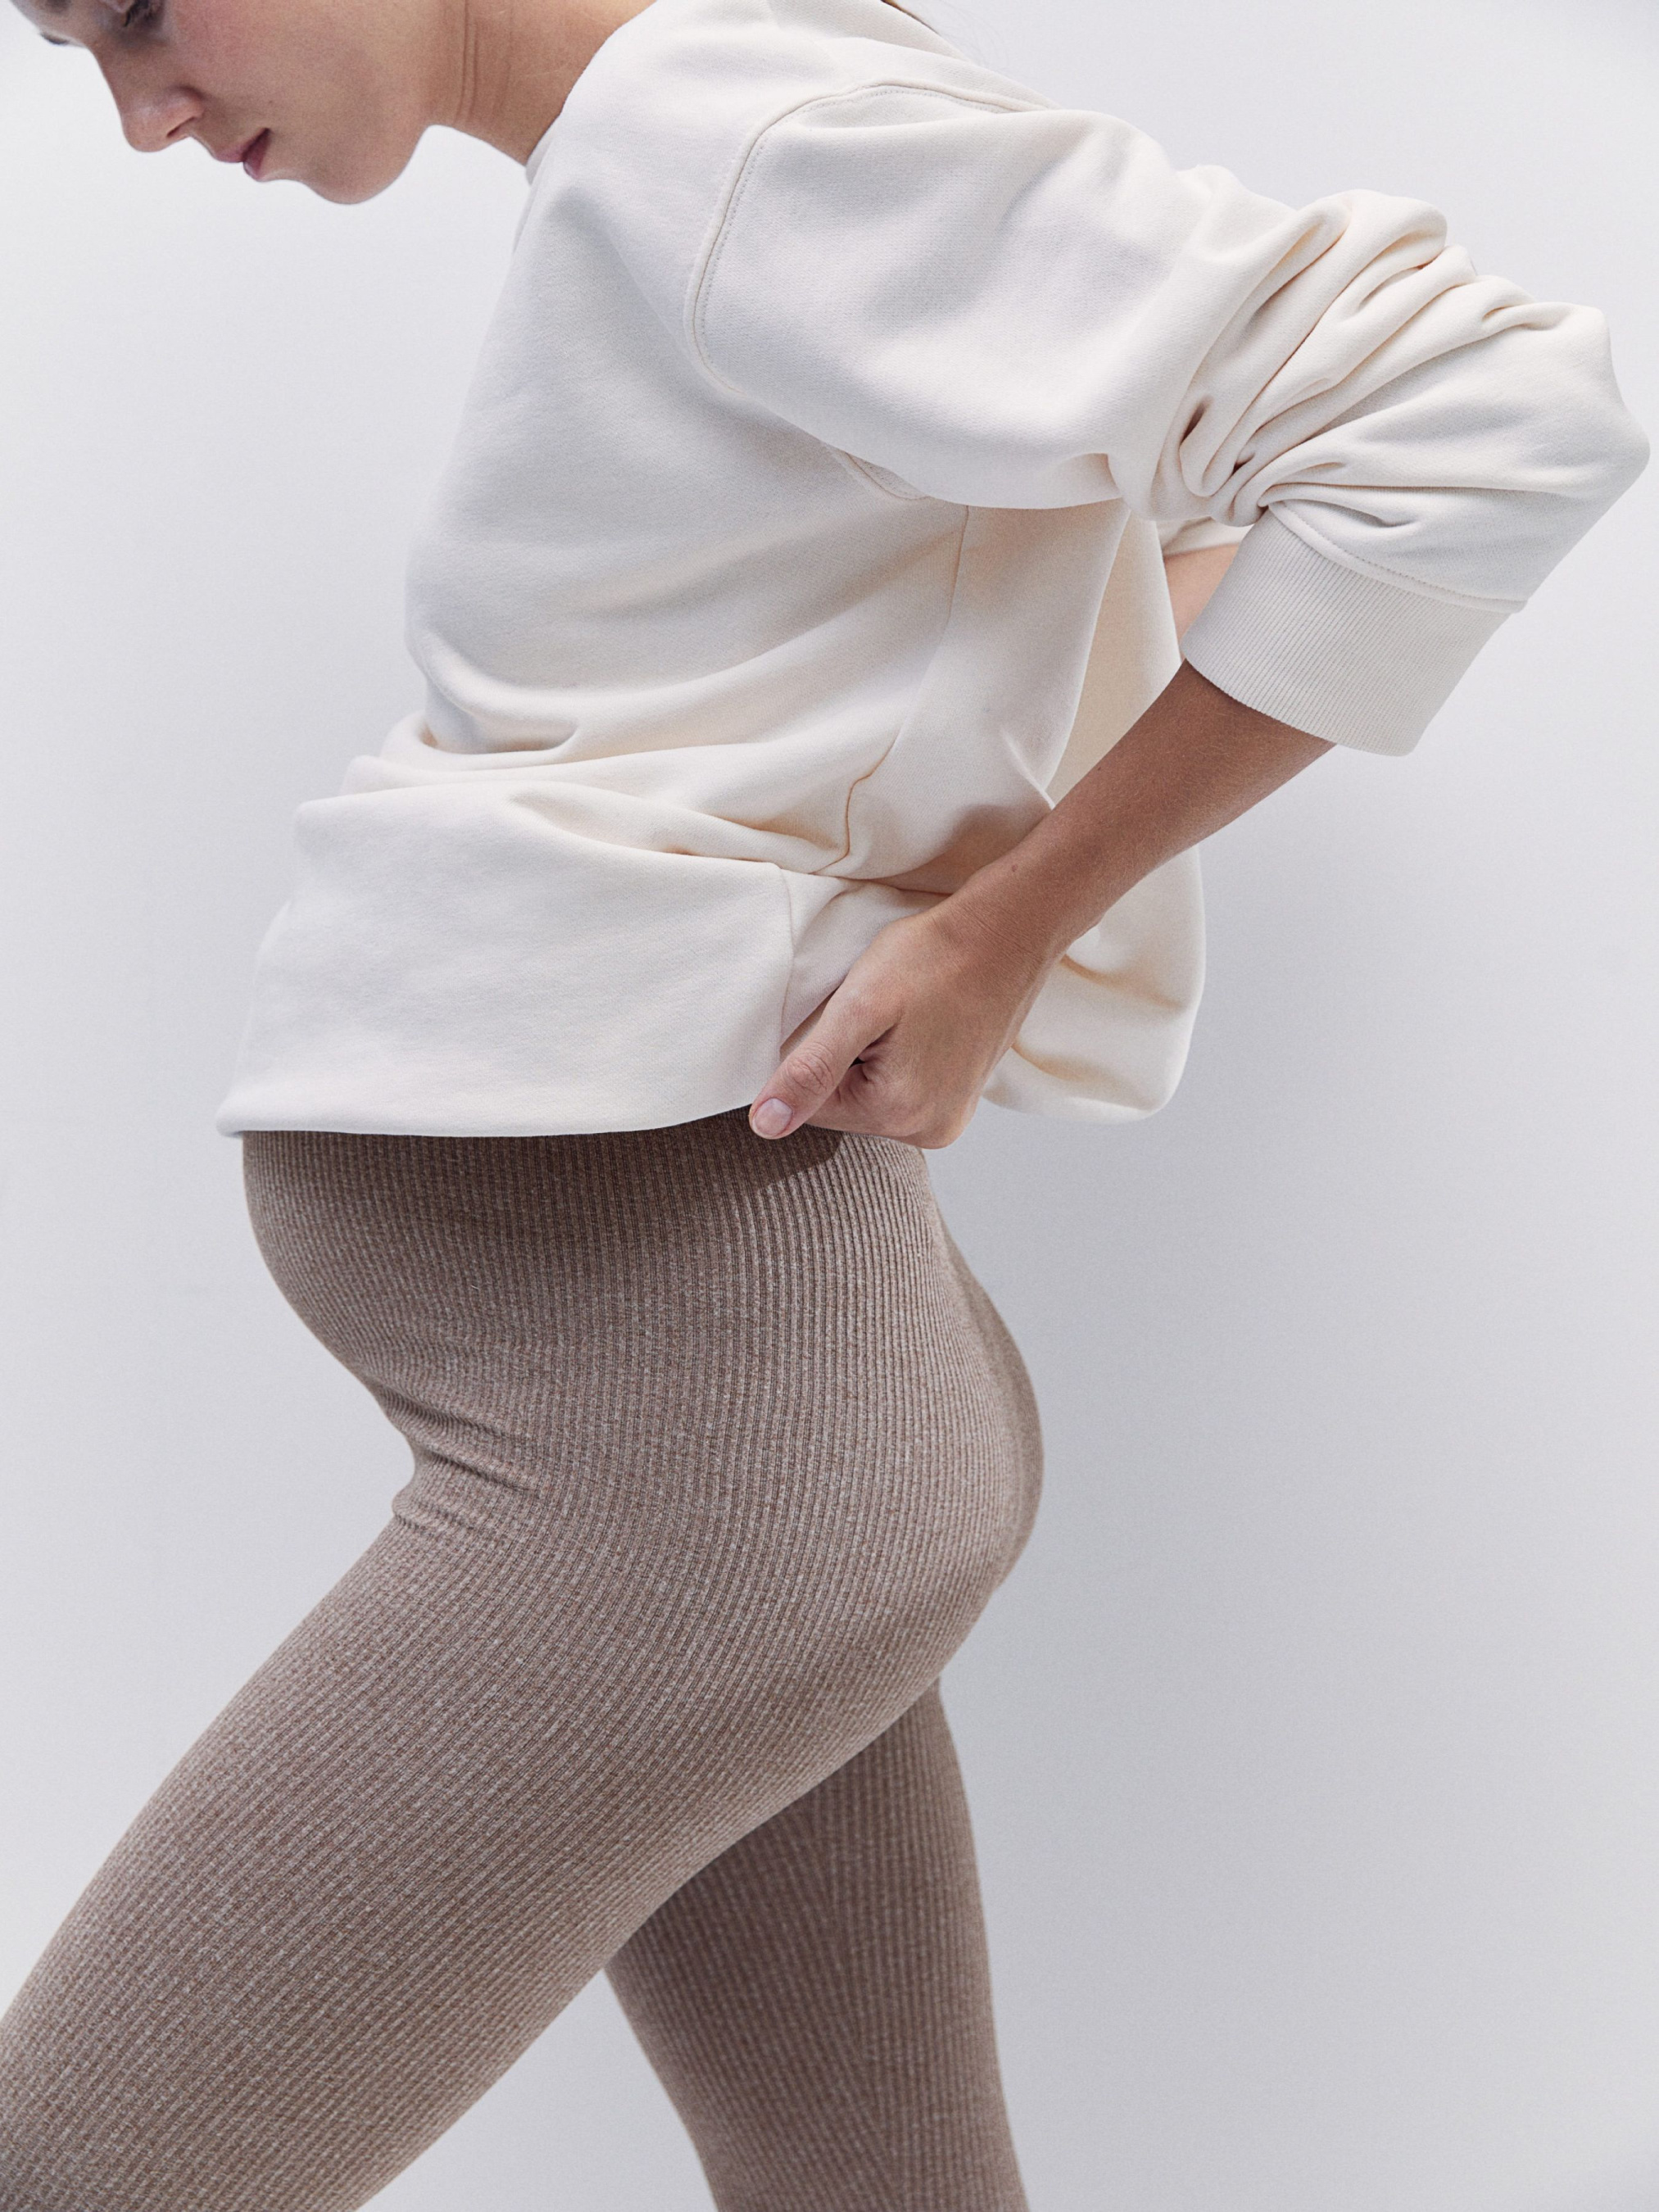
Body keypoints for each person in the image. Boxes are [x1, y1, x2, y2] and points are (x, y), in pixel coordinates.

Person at [0, 0, 1645, 2202]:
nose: (140, 112)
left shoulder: (745, 134)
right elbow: (1148, 504)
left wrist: (1009, 922)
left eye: (135, 9)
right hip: (720, 1409)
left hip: (703, 1453)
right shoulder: (702, 129)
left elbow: (1484, 406)